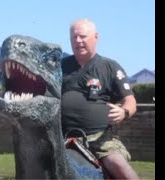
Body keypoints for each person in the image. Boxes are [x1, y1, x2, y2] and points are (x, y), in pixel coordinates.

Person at [60, 18, 139, 179]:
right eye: (74, 37)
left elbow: (130, 101)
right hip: (60, 137)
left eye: (82, 36)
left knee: (119, 166)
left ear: (96, 37)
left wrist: (123, 112)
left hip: (99, 140)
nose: (78, 41)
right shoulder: (59, 67)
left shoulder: (110, 67)